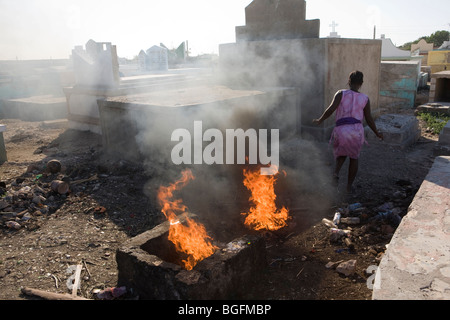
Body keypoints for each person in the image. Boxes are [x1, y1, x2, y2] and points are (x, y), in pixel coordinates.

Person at [313, 70, 383, 194]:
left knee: (342, 152)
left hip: (341, 130)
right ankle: (348, 187)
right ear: (361, 83)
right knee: (354, 158)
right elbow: (369, 118)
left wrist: (320, 120)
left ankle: (335, 173)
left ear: (349, 81)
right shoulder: (365, 98)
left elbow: (330, 109)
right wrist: (377, 132)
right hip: (356, 131)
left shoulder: (341, 93)